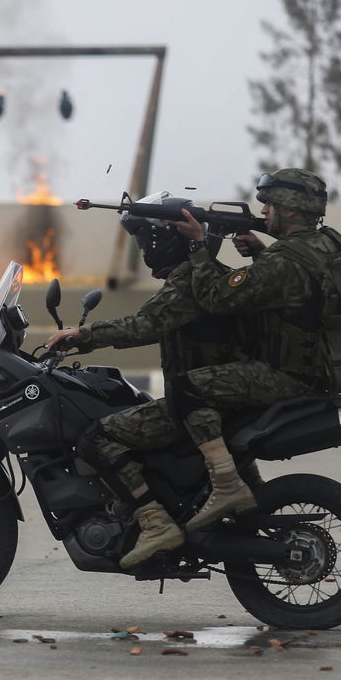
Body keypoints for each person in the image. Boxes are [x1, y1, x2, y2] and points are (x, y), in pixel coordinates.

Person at [49, 169, 341, 570]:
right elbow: (292, 283)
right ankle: (234, 491)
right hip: (322, 368)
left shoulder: (198, 281)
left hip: (288, 374)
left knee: (103, 434)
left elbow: (163, 319)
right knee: (190, 390)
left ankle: (160, 518)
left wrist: (83, 335)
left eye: (270, 204)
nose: (263, 210)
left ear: (291, 208)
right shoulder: (327, 243)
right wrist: (257, 252)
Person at [44, 200, 247, 570]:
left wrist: (82, 336)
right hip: (219, 397)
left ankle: (155, 522)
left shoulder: (189, 280)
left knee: (96, 438)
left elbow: (145, 325)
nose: (145, 250)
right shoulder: (206, 272)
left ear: (167, 241)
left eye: (146, 241)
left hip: (202, 405)